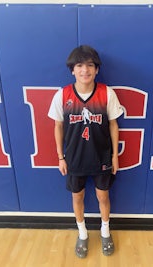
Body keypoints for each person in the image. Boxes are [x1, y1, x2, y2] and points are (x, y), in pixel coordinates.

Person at [48, 45, 123, 258]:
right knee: (77, 196)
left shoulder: (107, 93)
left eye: (90, 65)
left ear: (97, 69)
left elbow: (113, 125)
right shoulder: (62, 95)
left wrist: (115, 156)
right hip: (74, 158)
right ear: (72, 70)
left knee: (103, 195)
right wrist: (60, 157)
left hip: (101, 157)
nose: (85, 70)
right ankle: (82, 234)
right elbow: (58, 126)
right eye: (79, 65)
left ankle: (105, 231)